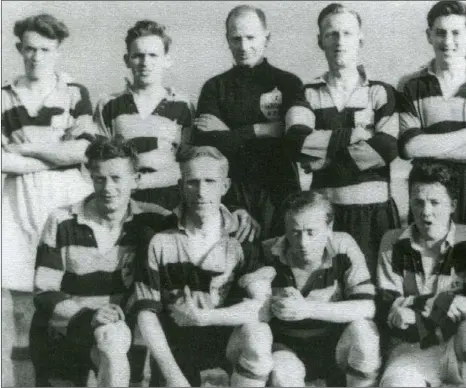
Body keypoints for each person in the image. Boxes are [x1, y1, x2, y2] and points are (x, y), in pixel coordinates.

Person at [29, 137, 175, 386]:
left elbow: (197, 221)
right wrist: (89, 316)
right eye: (100, 178)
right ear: (90, 178)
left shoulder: (153, 219)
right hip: (66, 331)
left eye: (117, 178)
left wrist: (237, 214)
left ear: (136, 179)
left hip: (120, 334)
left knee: (114, 340)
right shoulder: (62, 221)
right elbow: (45, 291)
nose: (108, 188)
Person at [1, 14, 96, 380]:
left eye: (45, 49)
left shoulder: (75, 92)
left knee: (67, 290)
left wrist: (29, 150)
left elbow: (82, 152)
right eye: (29, 49)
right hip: (18, 202)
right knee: (20, 299)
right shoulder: (4, 95)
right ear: (19, 49)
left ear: (57, 51)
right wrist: (55, 151)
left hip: (66, 197)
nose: (36, 57)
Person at [131, 146, 275, 387]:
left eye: (210, 181)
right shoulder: (157, 236)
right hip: (176, 347)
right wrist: (176, 379)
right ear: (180, 185)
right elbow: (146, 313)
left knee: (259, 335)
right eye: (192, 182)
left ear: (225, 186)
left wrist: (204, 317)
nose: (201, 191)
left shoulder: (242, 237)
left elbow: (263, 308)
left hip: (226, 342)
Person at [284, 3, 400, 278]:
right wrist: (354, 135)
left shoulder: (380, 92)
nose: (339, 41)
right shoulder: (307, 93)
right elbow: (297, 142)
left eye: (347, 33)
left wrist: (324, 161)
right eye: (331, 34)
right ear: (320, 40)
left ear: (361, 38)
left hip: (375, 214)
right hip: (324, 215)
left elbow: (387, 148)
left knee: (378, 294)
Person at [396, 0, 466, 286]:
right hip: (429, 188)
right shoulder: (410, 84)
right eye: (441, 33)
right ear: (429, 36)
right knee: (430, 276)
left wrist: (431, 145)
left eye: (456, 33)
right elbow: (409, 148)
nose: (449, 41)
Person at [377, 162, 466, 387]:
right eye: (418, 202)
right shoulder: (392, 242)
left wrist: (418, 307)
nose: (426, 212)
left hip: (457, 345)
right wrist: (450, 302)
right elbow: (388, 306)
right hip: (411, 349)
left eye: (435, 202)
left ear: (452, 204)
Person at [187, 5, 305, 238]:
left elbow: (292, 142)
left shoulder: (288, 83)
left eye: (250, 37)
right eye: (236, 39)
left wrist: (230, 133)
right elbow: (207, 146)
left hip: (280, 192)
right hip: (233, 197)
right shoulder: (214, 87)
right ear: (227, 40)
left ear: (267, 37)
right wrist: (262, 129)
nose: (243, 46)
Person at [263, 191, 380, 387]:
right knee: (282, 375)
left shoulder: (343, 245)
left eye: (311, 232)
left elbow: (367, 307)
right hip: (287, 347)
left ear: (329, 228)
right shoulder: (268, 252)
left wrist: (307, 309)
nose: (303, 243)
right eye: (295, 232)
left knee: (365, 332)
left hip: (334, 346)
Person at [93, 20, 192, 212]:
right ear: (127, 59)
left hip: (170, 197)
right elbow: (101, 161)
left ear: (166, 60)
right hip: (124, 199)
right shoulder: (108, 105)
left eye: (153, 55)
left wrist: (147, 181)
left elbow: (187, 161)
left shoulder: (182, 105)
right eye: (138, 55)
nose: (145, 63)